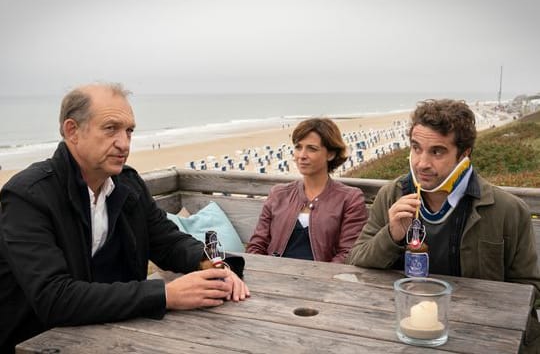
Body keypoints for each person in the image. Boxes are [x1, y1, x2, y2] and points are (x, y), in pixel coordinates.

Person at [0, 83, 249, 352]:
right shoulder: (27, 196)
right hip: (34, 344)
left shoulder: (128, 186)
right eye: (110, 129)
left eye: (129, 130)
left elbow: (170, 242)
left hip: (114, 337)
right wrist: (166, 295)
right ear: (72, 131)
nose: (124, 143)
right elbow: (55, 297)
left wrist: (213, 263)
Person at [346, 98, 540, 350]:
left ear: (464, 153)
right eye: (416, 148)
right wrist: (391, 235)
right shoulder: (392, 195)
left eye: (437, 151)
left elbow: (531, 289)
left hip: (480, 337)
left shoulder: (508, 210)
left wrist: (467, 307)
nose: (421, 163)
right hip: (404, 330)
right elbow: (355, 261)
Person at [247, 118, 368, 262]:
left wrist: (319, 279)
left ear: (331, 154)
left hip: (323, 280)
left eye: (312, 148)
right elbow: (256, 245)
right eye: (298, 147)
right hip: (274, 276)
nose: (302, 155)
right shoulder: (279, 194)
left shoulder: (349, 198)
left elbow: (347, 253)